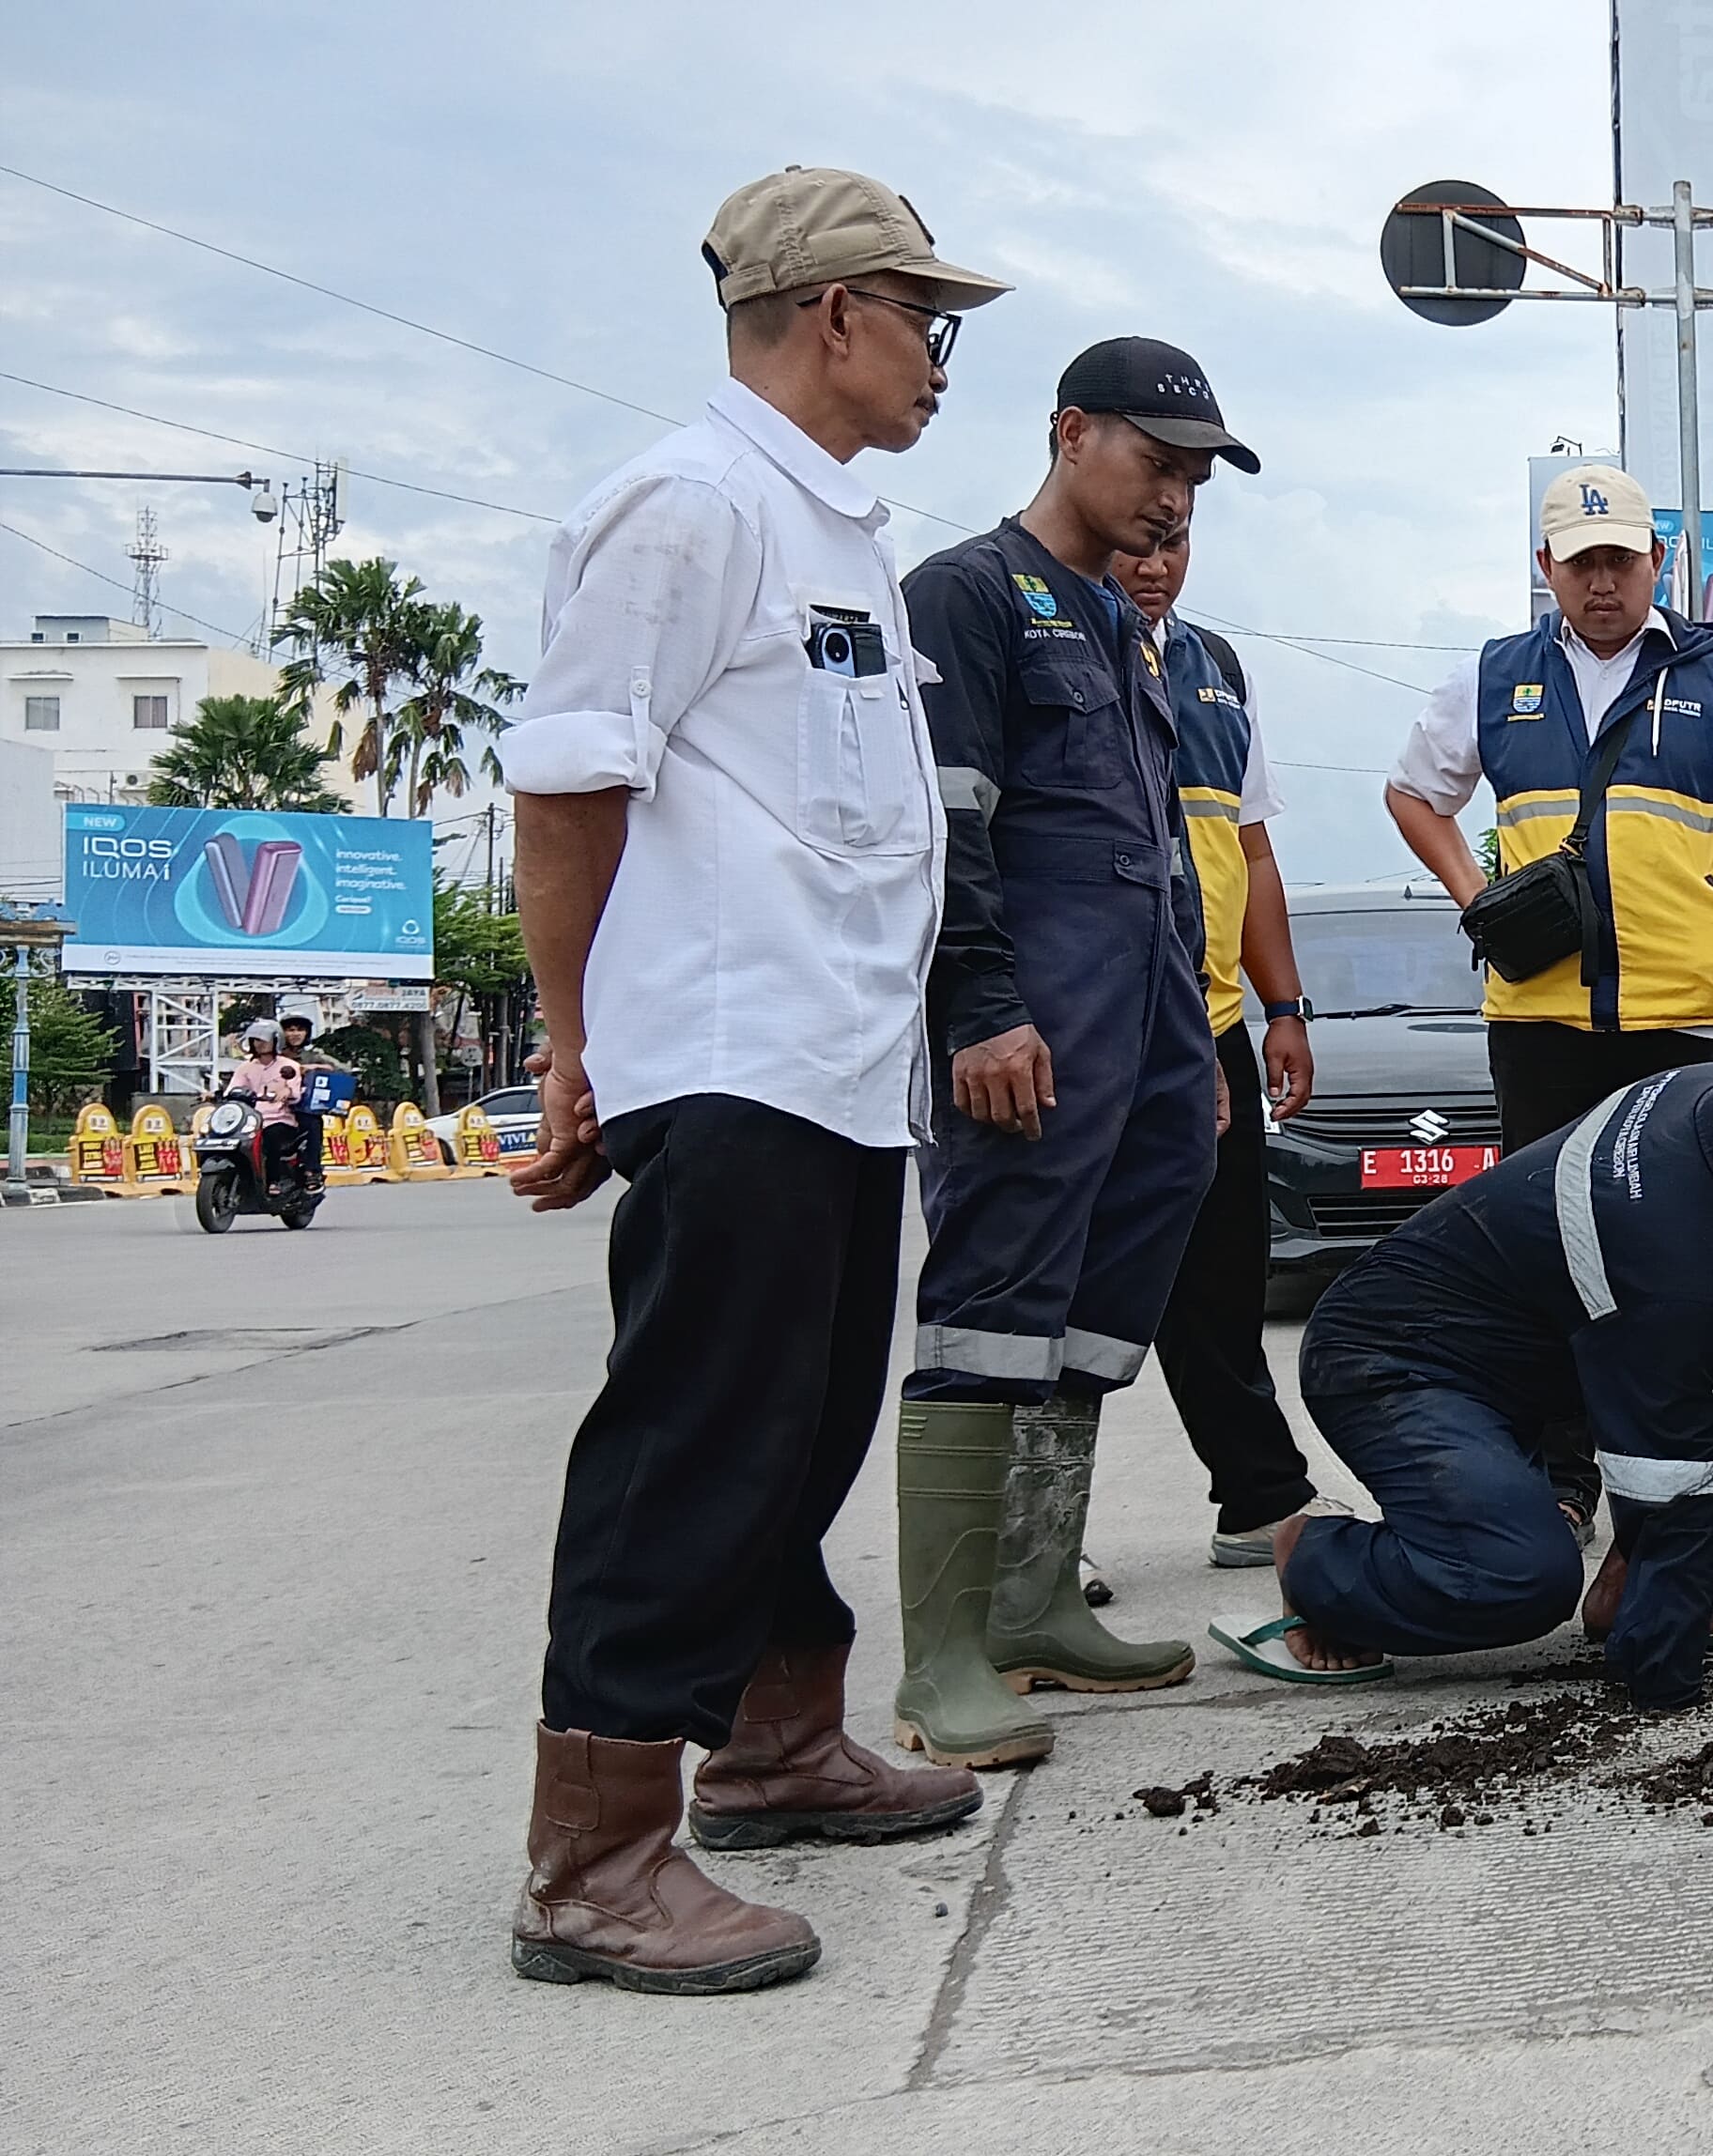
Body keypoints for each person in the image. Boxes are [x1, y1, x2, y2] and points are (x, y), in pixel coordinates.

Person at [497, 164, 1007, 1994]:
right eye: (926, 321)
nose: (943, 358)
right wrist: (574, 1048)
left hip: (832, 1062)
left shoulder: (831, 530)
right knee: (697, 1434)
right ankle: (598, 1853)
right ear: (835, 315)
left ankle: (781, 1742)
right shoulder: (692, 507)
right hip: (724, 1052)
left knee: (795, 1427)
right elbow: (568, 777)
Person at [887, 335, 1260, 1766]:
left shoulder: (1119, 623)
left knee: (1098, 1308)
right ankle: (946, 1660)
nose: (1174, 499)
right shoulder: (969, 596)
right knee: (991, 1306)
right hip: (1028, 1021)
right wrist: (978, 1007)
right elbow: (945, 823)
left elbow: (1161, 845)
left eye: (1191, 480)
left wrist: (1186, 1059)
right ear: (1068, 435)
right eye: (1155, 465)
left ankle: (1038, 1604)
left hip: (1146, 1025)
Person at [1208, 995, 1713, 1706]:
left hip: (1530, 1348)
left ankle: (1626, 1586)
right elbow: (1673, 1464)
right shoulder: (1669, 1242)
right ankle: (1318, 1559)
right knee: (1516, 1579)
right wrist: (1664, 1672)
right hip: (1391, 1362)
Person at [1382, 462, 1713, 1559]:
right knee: (1558, 1262)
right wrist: (1478, 896)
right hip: (1543, 1028)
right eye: (1581, 563)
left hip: (1697, 1023)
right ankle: (1566, 1473)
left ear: (1657, 562)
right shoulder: (1496, 678)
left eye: (1623, 558)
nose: (1604, 581)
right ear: (1546, 570)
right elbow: (1413, 791)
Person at [1115, 523, 1328, 1574]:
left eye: (1177, 542)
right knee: (1061, 1288)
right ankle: (1030, 1546)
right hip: (1092, 1028)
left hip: (1210, 1026)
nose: (1157, 563)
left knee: (1222, 1275)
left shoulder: (1216, 670)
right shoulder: (1035, 639)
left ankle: (1258, 1496)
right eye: (1140, 542)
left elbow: (1248, 849)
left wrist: (1281, 1004)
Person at [225, 1024, 308, 1182]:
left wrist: (286, 1092)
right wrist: (214, 1094)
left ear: (276, 1041)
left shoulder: (289, 1066)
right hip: (250, 1120)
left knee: (271, 1138)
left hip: (279, 1118)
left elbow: (295, 1092)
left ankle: (273, 1181)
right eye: (256, 1040)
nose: (260, 1043)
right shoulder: (245, 1068)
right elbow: (233, 1089)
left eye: (264, 1039)